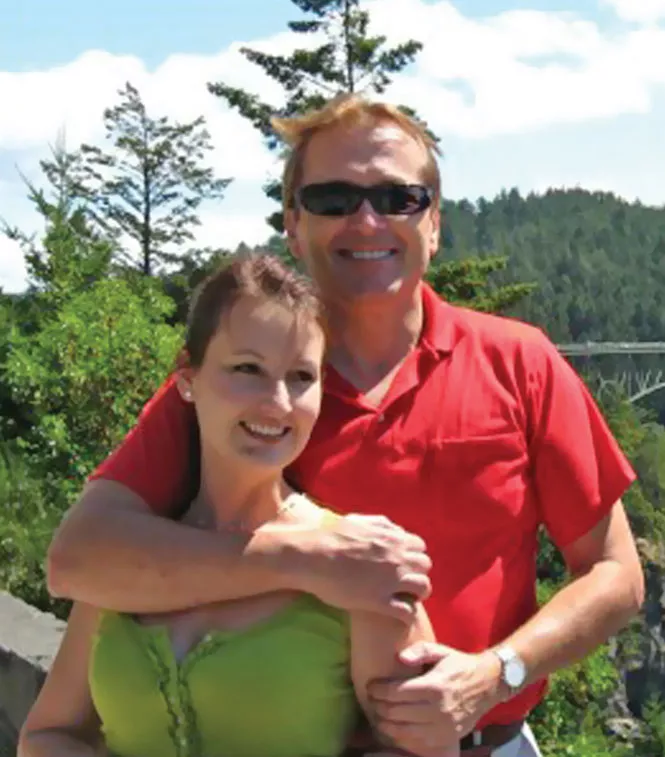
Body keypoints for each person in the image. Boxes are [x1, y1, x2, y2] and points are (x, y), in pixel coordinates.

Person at [43, 94, 644, 757]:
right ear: (293, 225)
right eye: (333, 198)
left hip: (485, 739)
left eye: (397, 197)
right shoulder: (242, 388)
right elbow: (79, 558)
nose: (365, 219)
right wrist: (307, 560)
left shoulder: (518, 361)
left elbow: (616, 574)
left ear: (435, 223)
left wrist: (494, 672)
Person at [20, 253, 455, 757]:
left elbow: (426, 750)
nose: (277, 402)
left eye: (301, 377)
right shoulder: (123, 560)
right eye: (248, 368)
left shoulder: (362, 569)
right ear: (187, 376)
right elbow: (47, 735)